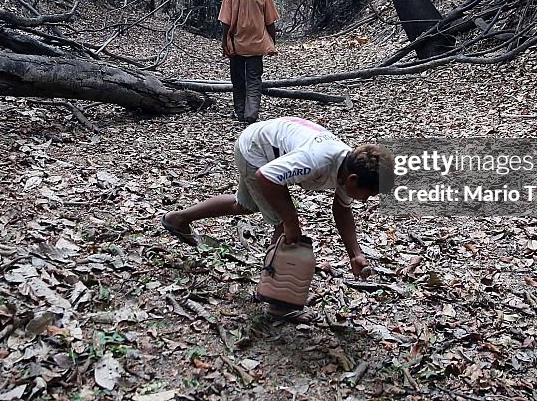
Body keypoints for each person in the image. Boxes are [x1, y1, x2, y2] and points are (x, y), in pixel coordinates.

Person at [162, 116, 394, 322]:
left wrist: (355, 253)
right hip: (255, 152)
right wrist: (291, 222)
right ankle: (278, 303)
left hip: (261, 145)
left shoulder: (347, 166)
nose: (365, 200)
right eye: (369, 194)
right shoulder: (318, 161)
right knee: (284, 227)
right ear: (353, 180)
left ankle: (178, 219)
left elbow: (342, 210)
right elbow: (267, 177)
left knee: (244, 205)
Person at [219, 0, 279, 123]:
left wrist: (225, 41)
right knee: (254, 79)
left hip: (236, 44)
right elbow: (270, 23)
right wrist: (272, 41)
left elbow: (225, 22)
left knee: (237, 79)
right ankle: (251, 114)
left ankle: (240, 112)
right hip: (257, 45)